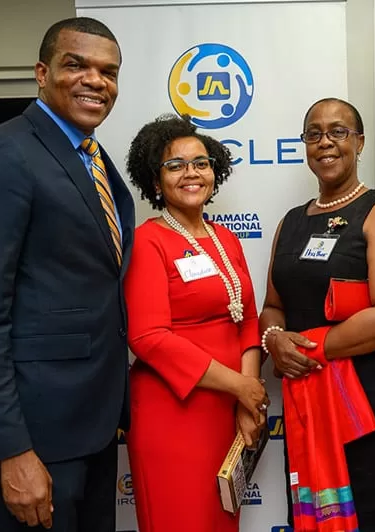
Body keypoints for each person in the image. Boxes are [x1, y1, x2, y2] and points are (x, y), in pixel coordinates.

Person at [0, 17, 133, 532]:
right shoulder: (3, 153)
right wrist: (13, 450)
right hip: (36, 435)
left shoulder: (93, 158)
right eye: (77, 65)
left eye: (108, 71)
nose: (96, 80)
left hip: (92, 426)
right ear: (42, 73)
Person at [260, 97, 375, 531]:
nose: (325, 143)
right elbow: (274, 307)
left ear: (360, 142)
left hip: (373, 402)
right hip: (308, 403)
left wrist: (309, 347)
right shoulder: (290, 222)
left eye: (338, 132)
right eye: (313, 134)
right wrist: (274, 339)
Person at [123, 114, 269, 532]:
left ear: (215, 171)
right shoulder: (148, 241)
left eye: (201, 163)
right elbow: (147, 337)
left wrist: (246, 399)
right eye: (175, 165)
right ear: (156, 181)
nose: (191, 173)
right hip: (172, 414)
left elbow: (247, 320)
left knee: (221, 519)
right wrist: (242, 387)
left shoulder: (226, 239)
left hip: (228, 411)